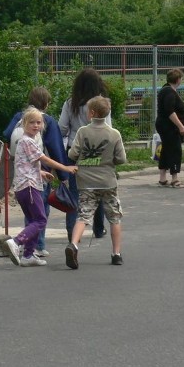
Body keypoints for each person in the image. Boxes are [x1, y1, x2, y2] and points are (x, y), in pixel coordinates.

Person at [4, 107, 78, 267]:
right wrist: (66, 168)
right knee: (40, 219)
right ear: (24, 124)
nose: (36, 125)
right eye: (31, 122)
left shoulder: (25, 142)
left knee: (33, 220)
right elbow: (45, 160)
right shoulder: (28, 141)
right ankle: (16, 242)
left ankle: (28, 256)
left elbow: (26, 163)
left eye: (39, 122)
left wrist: (42, 174)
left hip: (23, 186)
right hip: (29, 187)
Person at [64, 96, 127, 269]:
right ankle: (116, 253)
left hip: (85, 180)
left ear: (92, 113)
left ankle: (74, 244)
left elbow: (72, 154)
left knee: (83, 215)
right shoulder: (114, 134)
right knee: (114, 217)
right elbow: (121, 158)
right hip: (107, 181)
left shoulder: (82, 132)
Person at [58, 68, 109, 239]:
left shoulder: (70, 103)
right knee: (98, 189)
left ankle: (73, 232)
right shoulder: (101, 104)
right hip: (97, 151)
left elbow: (62, 128)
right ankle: (99, 228)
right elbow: (108, 128)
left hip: (74, 151)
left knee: (74, 193)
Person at [155, 69, 184, 188]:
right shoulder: (170, 92)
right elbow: (170, 112)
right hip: (169, 126)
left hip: (164, 125)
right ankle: (175, 179)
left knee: (166, 150)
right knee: (175, 150)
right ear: (178, 79)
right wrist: (181, 126)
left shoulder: (165, 89)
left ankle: (162, 178)